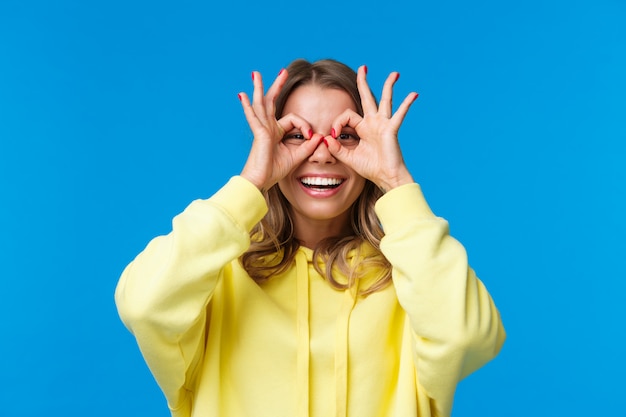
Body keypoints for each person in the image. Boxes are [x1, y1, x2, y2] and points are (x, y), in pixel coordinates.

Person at [115, 58, 506, 417]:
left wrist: (395, 180)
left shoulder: (412, 277)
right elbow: (144, 306)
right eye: (297, 135)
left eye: (346, 136)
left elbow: (466, 337)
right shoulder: (215, 275)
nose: (322, 155)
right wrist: (251, 182)